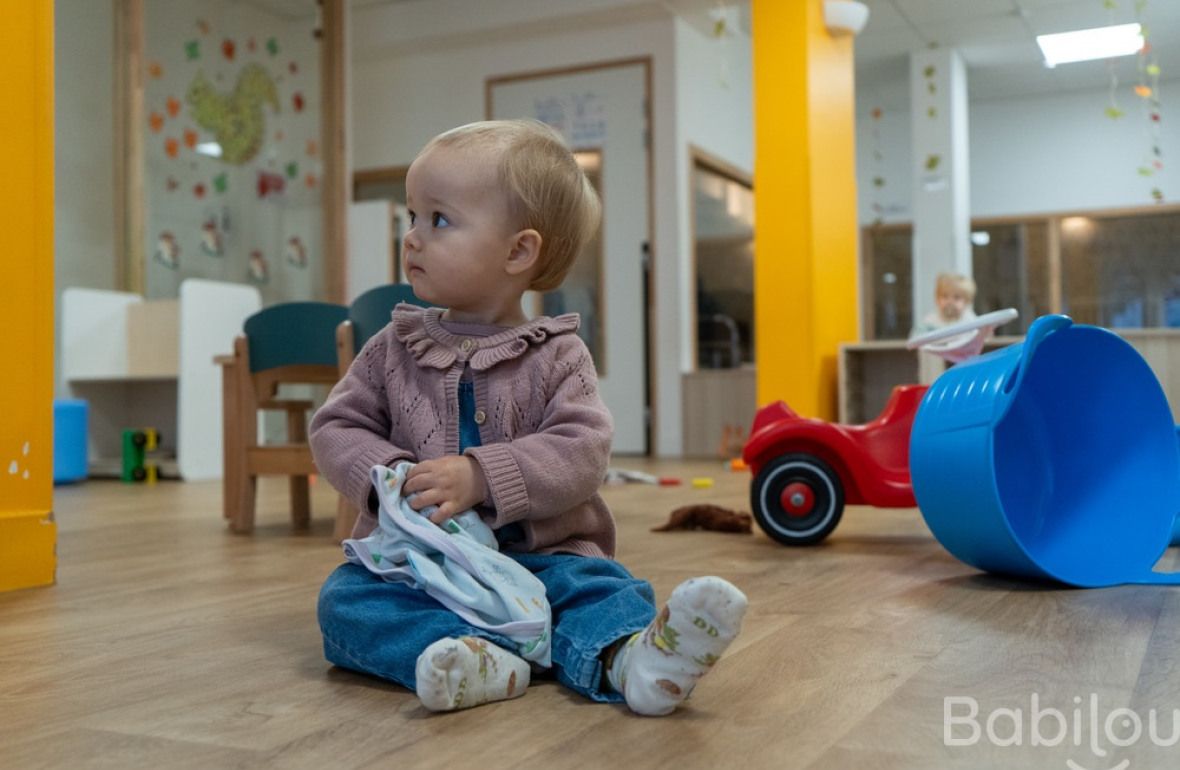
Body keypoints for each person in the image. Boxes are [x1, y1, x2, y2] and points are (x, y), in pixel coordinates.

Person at [310, 119, 747, 716]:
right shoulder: (393, 345)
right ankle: (475, 659)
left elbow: (583, 448)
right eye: (411, 217)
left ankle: (633, 660)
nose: (412, 238)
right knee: (346, 603)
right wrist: (388, 473)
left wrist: (483, 476)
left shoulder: (557, 354)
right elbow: (335, 426)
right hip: (423, 568)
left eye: (437, 219)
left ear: (519, 251)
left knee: (599, 591)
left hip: (544, 558)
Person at [910, 272, 977, 337]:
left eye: (956, 297)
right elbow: (915, 339)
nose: (950, 302)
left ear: (967, 301)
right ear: (937, 299)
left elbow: (978, 337)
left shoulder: (970, 320)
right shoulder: (930, 321)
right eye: (945, 296)